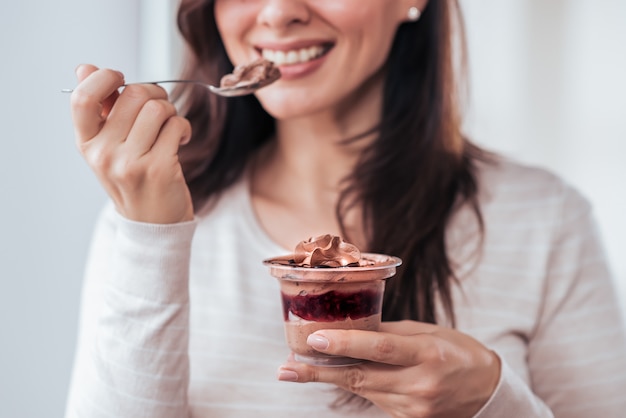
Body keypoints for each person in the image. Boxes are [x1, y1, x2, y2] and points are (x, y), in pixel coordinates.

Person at [65, 0, 626, 417]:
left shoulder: (546, 220)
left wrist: (492, 399)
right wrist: (148, 236)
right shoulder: (151, 216)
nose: (279, 13)